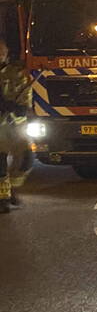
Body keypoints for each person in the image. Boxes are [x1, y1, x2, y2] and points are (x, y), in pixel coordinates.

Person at [0, 39, 32, 213]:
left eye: (2, 52)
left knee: (26, 159)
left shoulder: (15, 72)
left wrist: (21, 107)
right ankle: (2, 198)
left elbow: (25, 90)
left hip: (15, 125)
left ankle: (12, 189)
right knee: (0, 164)